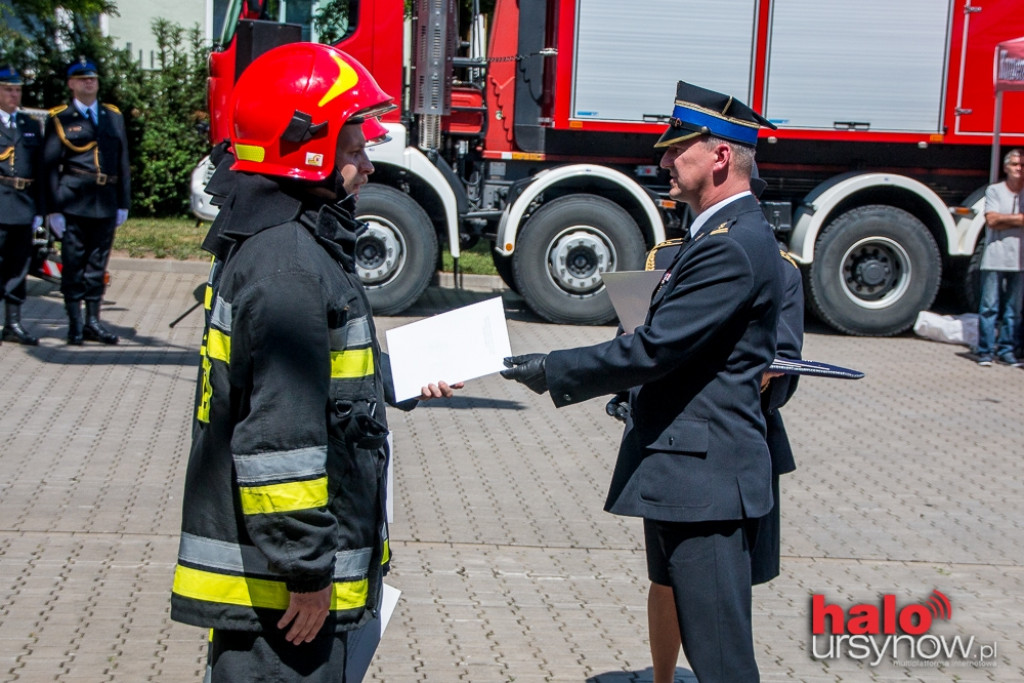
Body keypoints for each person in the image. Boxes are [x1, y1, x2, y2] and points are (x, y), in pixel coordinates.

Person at [169, 43, 456, 682]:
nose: (367, 168)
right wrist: (306, 571)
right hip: (284, 598)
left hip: (275, 583)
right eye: (354, 151)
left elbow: (312, 382)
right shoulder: (291, 265)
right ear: (308, 148)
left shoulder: (282, 243)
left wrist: (395, 380)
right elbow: (279, 439)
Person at [502, 80, 784, 682]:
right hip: (688, 470)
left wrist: (555, 369)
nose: (662, 161)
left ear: (720, 156)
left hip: (705, 481)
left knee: (721, 661)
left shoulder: (730, 247)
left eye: (676, 149)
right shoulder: (716, 236)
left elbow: (658, 347)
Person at [643, 246, 804, 683]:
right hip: (672, 440)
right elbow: (640, 337)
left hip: (736, 441)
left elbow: (784, 356)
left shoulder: (776, 264)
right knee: (665, 577)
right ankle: (663, 680)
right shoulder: (666, 260)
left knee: (726, 589)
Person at [43, 57, 130, 345]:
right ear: (71, 84)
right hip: (73, 201)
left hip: (104, 201)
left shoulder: (112, 116)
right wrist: (52, 209)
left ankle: (93, 321)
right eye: (82, 79)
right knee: (73, 263)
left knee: (97, 264)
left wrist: (123, 202)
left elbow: (122, 162)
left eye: (92, 78)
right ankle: (75, 324)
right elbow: (49, 167)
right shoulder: (60, 118)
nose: (89, 82)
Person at [0, 65, 43, 345]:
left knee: (18, 266)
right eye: (8, 90)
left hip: (23, 204)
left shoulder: (29, 124)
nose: (14, 95)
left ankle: (13, 323)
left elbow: (40, 168)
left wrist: (40, 208)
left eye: (17, 90)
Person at [975, 148, 1024, 367]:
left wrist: (1006, 220)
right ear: (1005, 167)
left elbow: (999, 219)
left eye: (1022, 166)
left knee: (1014, 310)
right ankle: (985, 351)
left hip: (1020, 260)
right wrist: (1020, 219)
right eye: (1015, 164)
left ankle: (1007, 350)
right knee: (989, 307)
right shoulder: (994, 191)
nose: (1019, 169)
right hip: (995, 257)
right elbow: (992, 220)